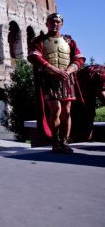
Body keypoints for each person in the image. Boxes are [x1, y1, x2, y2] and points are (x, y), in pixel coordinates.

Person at [28, 13, 85, 153]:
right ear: (46, 23)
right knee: (55, 110)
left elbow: (79, 58)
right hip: (49, 79)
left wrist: (69, 70)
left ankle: (65, 141)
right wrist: (53, 69)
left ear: (61, 24)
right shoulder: (40, 40)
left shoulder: (69, 41)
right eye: (52, 21)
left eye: (58, 22)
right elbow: (34, 57)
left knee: (66, 111)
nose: (55, 24)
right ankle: (55, 140)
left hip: (67, 78)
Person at [71, 65, 105, 141]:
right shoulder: (102, 74)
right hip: (80, 89)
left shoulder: (100, 72)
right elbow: (102, 93)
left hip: (79, 87)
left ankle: (80, 136)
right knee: (84, 110)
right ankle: (80, 137)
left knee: (85, 111)